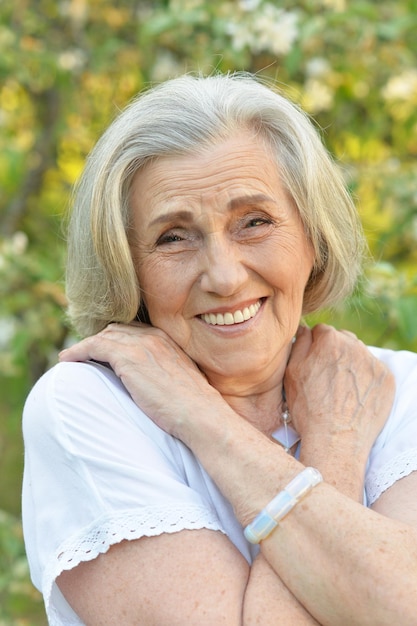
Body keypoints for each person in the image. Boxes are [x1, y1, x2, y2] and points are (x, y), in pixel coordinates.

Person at [22, 73, 417, 626]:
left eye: (254, 222)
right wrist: (334, 447)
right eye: (173, 237)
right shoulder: (87, 406)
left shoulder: (401, 390)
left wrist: (334, 434)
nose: (225, 277)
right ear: (126, 266)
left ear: (314, 235)